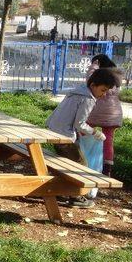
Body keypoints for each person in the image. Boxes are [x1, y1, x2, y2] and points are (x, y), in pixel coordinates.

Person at [45, 68, 121, 208]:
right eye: (103, 90)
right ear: (93, 85)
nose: (103, 95)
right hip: (64, 136)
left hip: (53, 130)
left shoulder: (76, 91)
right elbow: (80, 124)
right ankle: (76, 197)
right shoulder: (87, 99)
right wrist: (95, 133)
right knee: (80, 166)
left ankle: (61, 191)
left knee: (65, 163)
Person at [85, 54, 122, 177]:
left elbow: (90, 79)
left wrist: (94, 65)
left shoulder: (100, 78)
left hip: (96, 111)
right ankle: (107, 168)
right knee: (108, 140)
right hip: (113, 113)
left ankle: (83, 156)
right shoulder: (116, 76)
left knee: (84, 131)